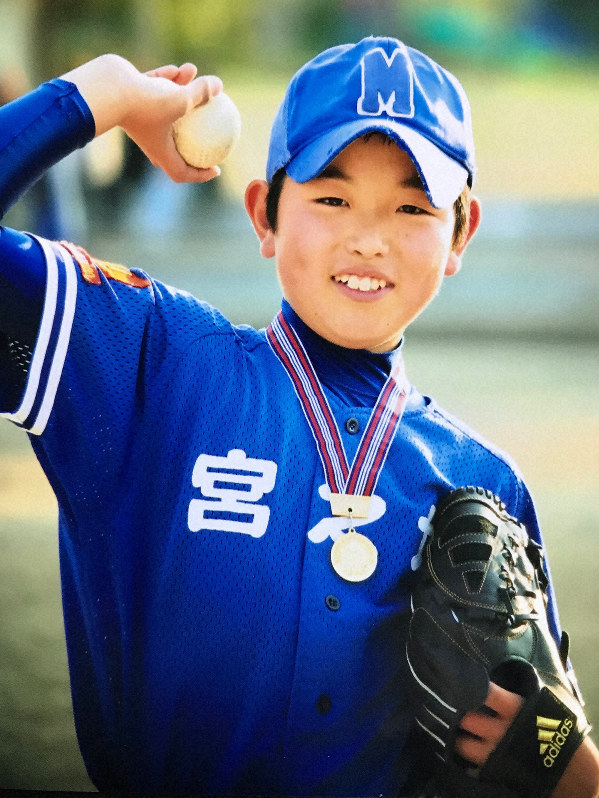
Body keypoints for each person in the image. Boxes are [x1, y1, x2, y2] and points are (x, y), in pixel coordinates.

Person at [0, 36, 597, 797]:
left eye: (412, 206)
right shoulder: (150, 361)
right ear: (264, 213)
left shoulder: (483, 483)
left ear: (460, 232)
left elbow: (552, 751)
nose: (368, 236)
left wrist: (564, 762)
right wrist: (100, 94)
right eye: (331, 196)